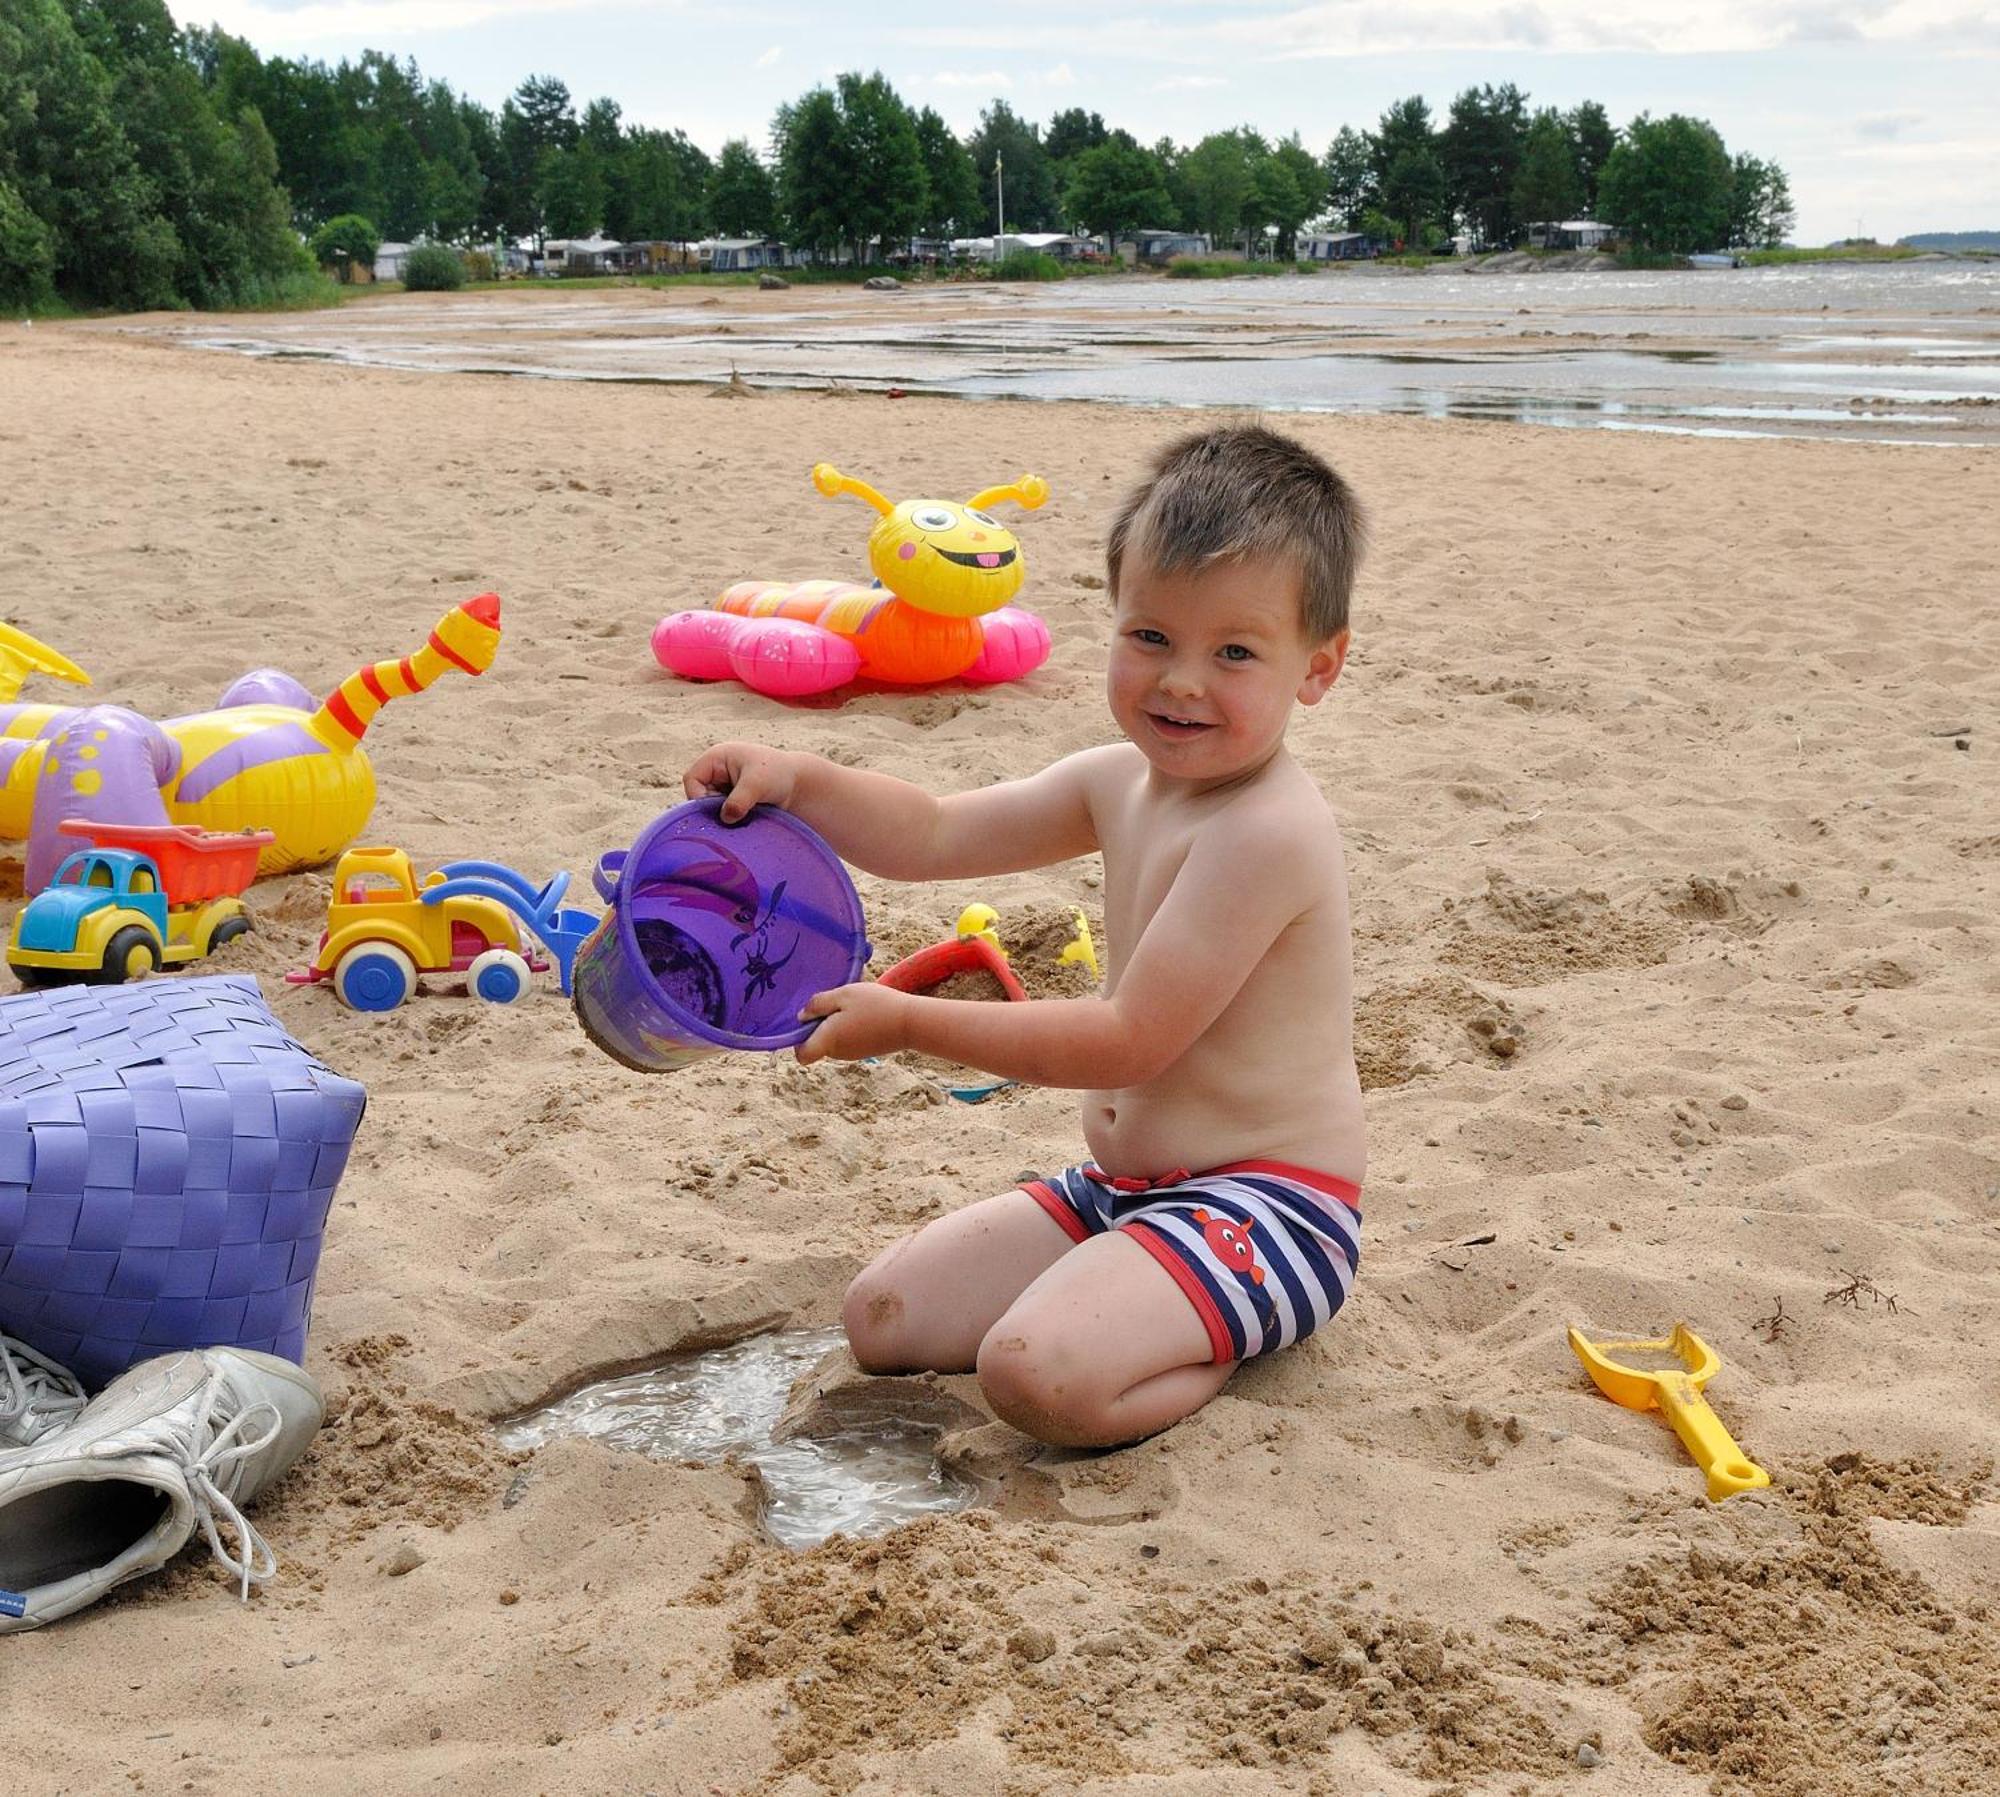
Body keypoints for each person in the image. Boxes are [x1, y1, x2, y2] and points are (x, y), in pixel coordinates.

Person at [683, 423, 1367, 1449]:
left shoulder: (1264, 832)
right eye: (1150, 638)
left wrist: (910, 1024)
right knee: (883, 1319)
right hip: (1121, 1191)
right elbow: (933, 831)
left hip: (1269, 1208)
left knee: (1032, 1376)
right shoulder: (1118, 781)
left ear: (1315, 669)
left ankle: (1211, 1350)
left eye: (1233, 652)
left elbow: (1127, 1040)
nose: (1181, 681)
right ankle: (1138, 1297)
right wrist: (800, 780)